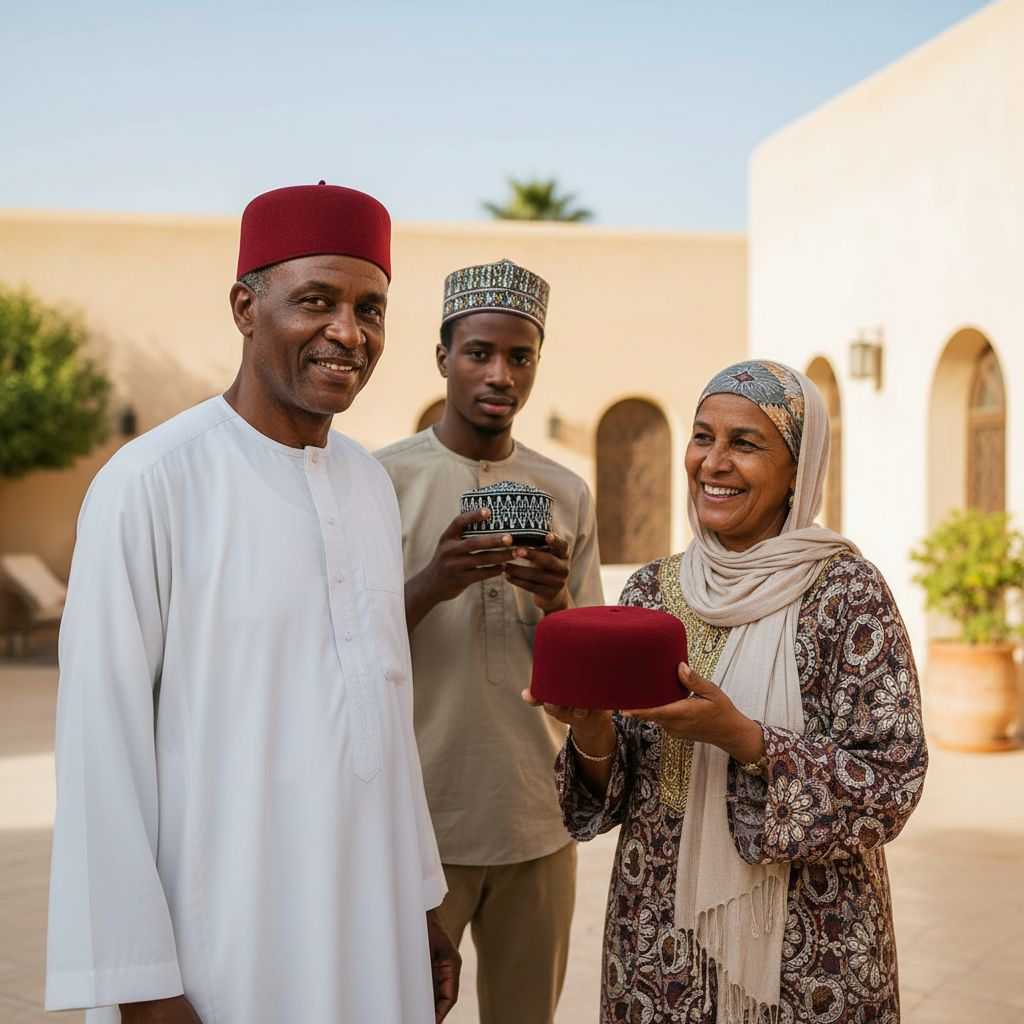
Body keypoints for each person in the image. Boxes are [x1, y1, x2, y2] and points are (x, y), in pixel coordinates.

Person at [45, 183, 460, 1024]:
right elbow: (101, 751)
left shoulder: (370, 486)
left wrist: (420, 902)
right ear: (245, 305)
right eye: (317, 300)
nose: (349, 333)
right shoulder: (152, 483)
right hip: (218, 948)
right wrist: (141, 987)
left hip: (372, 930)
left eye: (371, 308)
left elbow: (385, 707)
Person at [528, 360, 928, 1023]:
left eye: (745, 443)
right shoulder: (653, 593)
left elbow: (892, 783)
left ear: (798, 468)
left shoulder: (847, 595)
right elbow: (619, 781)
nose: (714, 462)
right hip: (659, 944)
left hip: (808, 953)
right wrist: (590, 728)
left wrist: (740, 737)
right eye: (702, 437)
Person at [375, 258, 604, 1024]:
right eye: (478, 352)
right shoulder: (378, 484)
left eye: (520, 355)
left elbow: (590, 685)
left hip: (535, 817)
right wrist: (432, 582)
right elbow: (335, 654)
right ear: (443, 357)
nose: (499, 373)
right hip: (414, 825)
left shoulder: (565, 492)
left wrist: (556, 600)